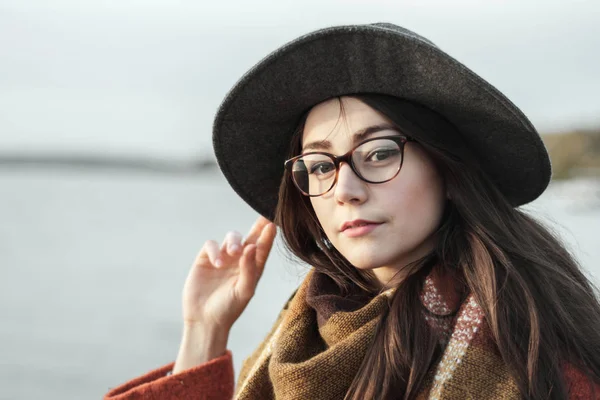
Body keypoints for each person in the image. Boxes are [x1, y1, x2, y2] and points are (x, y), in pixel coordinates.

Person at [104, 23, 600, 399]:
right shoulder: (306, 330)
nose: (345, 189)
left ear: (448, 169)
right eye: (319, 165)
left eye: (380, 153)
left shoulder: (528, 350)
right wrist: (204, 331)